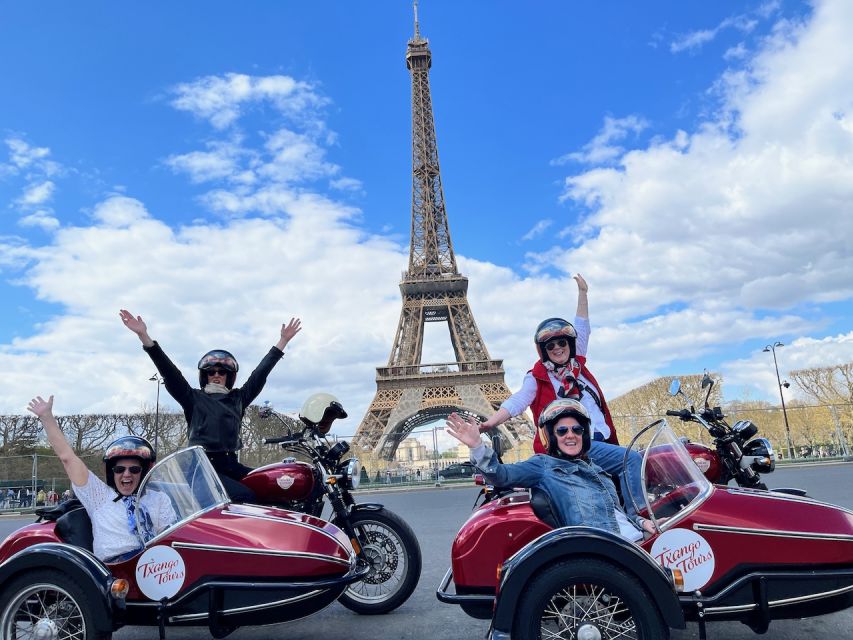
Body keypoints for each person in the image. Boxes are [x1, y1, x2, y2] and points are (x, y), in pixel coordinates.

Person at [477, 274, 645, 516]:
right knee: (631, 460)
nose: (557, 348)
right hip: (576, 445)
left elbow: (583, 326)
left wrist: (583, 293)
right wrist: (490, 422)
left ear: (570, 344)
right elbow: (518, 401)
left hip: (602, 440)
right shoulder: (536, 377)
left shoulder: (579, 366)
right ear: (544, 351)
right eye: (551, 346)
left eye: (562, 343)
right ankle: (640, 518)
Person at [120, 309, 302, 502]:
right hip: (201, 469)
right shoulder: (192, 398)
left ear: (229, 377)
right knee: (244, 496)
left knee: (275, 487)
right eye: (211, 371)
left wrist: (283, 341)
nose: (216, 375)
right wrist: (144, 336)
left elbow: (260, 374)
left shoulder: (238, 398)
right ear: (204, 375)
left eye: (222, 372)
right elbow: (169, 372)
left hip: (231, 465)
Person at [448, 399, 655, 542]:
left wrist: (641, 522)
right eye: (562, 431)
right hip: (611, 552)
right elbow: (501, 476)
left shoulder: (596, 467)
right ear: (551, 437)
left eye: (577, 430)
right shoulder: (543, 466)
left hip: (635, 540)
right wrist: (477, 446)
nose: (570, 435)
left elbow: (615, 513)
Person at [27, 395, 176, 563]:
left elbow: (171, 539)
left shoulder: (159, 499)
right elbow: (67, 457)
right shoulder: (99, 496)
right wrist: (47, 417)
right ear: (112, 472)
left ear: (143, 472)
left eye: (134, 469)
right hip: (114, 571)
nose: (127, 474)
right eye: (119, 469)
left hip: (154, 567)